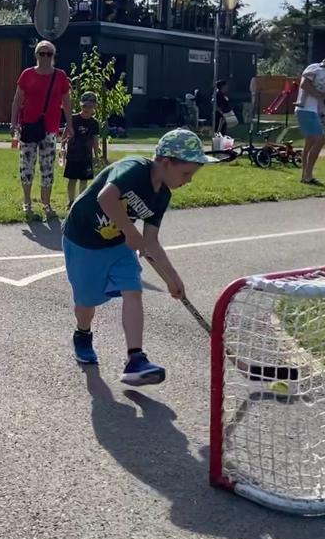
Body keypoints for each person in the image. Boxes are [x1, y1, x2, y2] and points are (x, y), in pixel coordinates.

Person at [63, 129, 218, 385]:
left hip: (117, 245)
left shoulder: (162, 195)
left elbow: (151, 243)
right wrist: (129, 230)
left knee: (132, 289)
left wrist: (172, 278)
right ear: (166, 162)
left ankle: (135, 359)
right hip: (83, 240)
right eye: (186, 173)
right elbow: (106, 197)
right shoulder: (134, 168)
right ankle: (82, 333)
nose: (188, 181)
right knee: (85, 304)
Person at [10, 40, 73, 218]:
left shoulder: (60, 76)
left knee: (47, 168)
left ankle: (46, 205)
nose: (45, 57)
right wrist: (13, 123)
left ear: (53, 56)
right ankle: (27, 203)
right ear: (36, 55)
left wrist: (69, 124)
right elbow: (17, 100)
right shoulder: (27, 75)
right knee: (26, 166)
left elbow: (67, 102)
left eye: (49, 54)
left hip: (50, 129)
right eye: (41, 53)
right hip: (28, 127)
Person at [295, 53, 325, 184]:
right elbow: (304, 84)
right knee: (320, 141)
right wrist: (319, 94)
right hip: (305, 110)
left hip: (312, 111)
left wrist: (321, 112)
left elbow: (324, 96)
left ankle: (305, 175)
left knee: (310, 142)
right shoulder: (313, 68)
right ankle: (308, 175)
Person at [63, 92, 101, 209]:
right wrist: (63, 142)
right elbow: (66, 130)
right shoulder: (74, 119)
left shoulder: (94, 123)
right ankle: (71, 200)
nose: (87, 109)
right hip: (73, 154)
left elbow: (95, 139)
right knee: (72, 179)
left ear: (94, 107)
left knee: (84, 180)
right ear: (81, 106)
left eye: (90, 106)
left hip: (86, 156)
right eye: (84, 106)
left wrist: (96, 154)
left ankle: (80, 200)